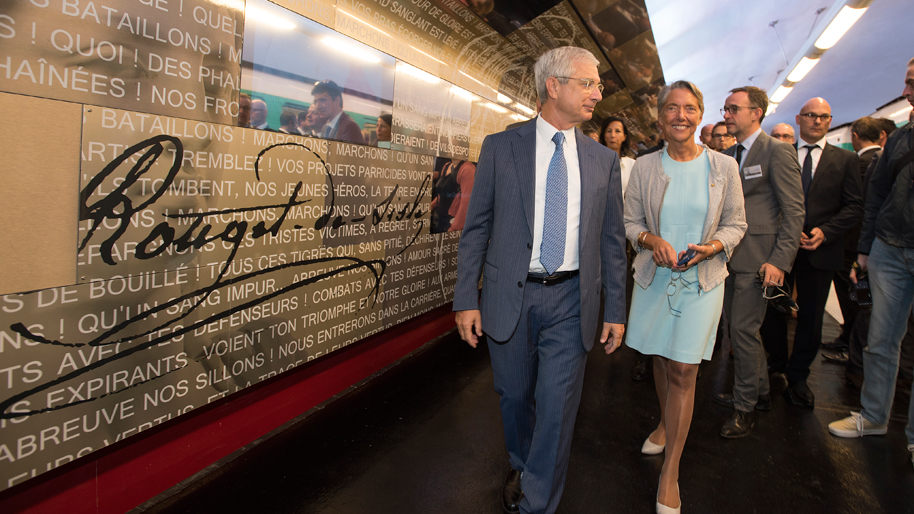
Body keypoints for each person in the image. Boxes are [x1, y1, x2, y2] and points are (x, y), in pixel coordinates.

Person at [453, 46, 627, 514]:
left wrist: (615, 310)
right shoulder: (501, 147)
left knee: (557, 407)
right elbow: (478, 228)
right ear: (554, 86)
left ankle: (536, 502)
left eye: (598, 85)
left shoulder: (602, 161)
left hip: (572, 300)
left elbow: (612, 241)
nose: (598, 92)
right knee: (513, 395)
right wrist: (465, 298)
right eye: (588, 83)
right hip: (511, 295)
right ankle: (521, 462)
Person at [625, 80, 747, 514]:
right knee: (661, 357)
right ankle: (664, 423)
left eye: (690, 108)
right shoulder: (643, 167)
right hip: (656, 278)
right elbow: (629, 221)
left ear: (700, 115)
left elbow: (736, 225)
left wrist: (712, 247)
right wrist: (648, 238)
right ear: (659, 118)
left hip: (702, 280)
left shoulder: (723, 168)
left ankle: (670, 471)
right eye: (672, 109)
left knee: (684, 368)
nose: (681, 116)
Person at [828, 59, 914, 472]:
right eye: (907, 83)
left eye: (913, 84)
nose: (908, 91)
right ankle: (875, 416)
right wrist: (865, 249)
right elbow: (876, 194)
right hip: (888, 250)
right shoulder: (901, 140)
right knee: (880, 340)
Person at [712, 86, 805, 437]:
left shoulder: (776, 152)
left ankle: (744, 408)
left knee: (743, 332)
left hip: (759, 259)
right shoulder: (730, 154)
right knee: (739, 329)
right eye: (726, 108)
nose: (727, 115)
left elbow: (794, 212)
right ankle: (760, 392)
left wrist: (780, 261)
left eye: (734, 108)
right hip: (730, 257)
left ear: (757, 112)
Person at [759, 98, 863, 408]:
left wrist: (826, 231)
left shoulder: (845, 161)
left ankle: (799, 376)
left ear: (830, 121)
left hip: (821, 250)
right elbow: (767, 200)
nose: (817, 121)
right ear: (799, 119)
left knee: (811, 317)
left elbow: (855, 205)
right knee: (773, 310)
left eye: (823, 117)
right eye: (810, 116)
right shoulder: (780, 154)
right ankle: (775, 364)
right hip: (781, 248)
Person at [600, 115, 649, 380]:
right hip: (597, 223)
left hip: (623, 225)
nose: (613, 135)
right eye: (609, 130)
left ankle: (615, 304)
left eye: (618, 131)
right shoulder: (593, 159)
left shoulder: (632, 165)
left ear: (625, 136)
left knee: (619, 265)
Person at [312, 80, 365, 145]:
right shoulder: (325, 128)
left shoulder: (350, 128)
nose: (317, 106)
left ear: (337, 101)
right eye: (315, 102)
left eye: (323, 100)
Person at [431, 158, 476, 232]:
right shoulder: (446, 166)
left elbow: (466, 204)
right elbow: (443, 192)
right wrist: (432, 205)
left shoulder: (467, 169)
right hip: (440, 220)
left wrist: (453, 229)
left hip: (452, 223)